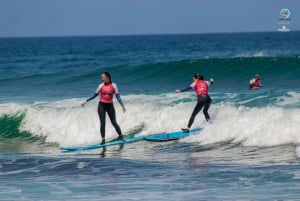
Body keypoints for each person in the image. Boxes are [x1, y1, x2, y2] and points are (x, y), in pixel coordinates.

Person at [81, 72, 126, 144]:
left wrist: (122, 105)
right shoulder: (100, 86)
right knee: (102, 123)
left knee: (114, 122)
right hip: (101, 106)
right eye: (102, 77)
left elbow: (118, 96)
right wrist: (86, 101)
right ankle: (103, 140)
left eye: (103, 77)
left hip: (110, 106)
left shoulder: (114, 85)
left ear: (108, 77)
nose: (102, 79)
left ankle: (120, 136)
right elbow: (94, 95)